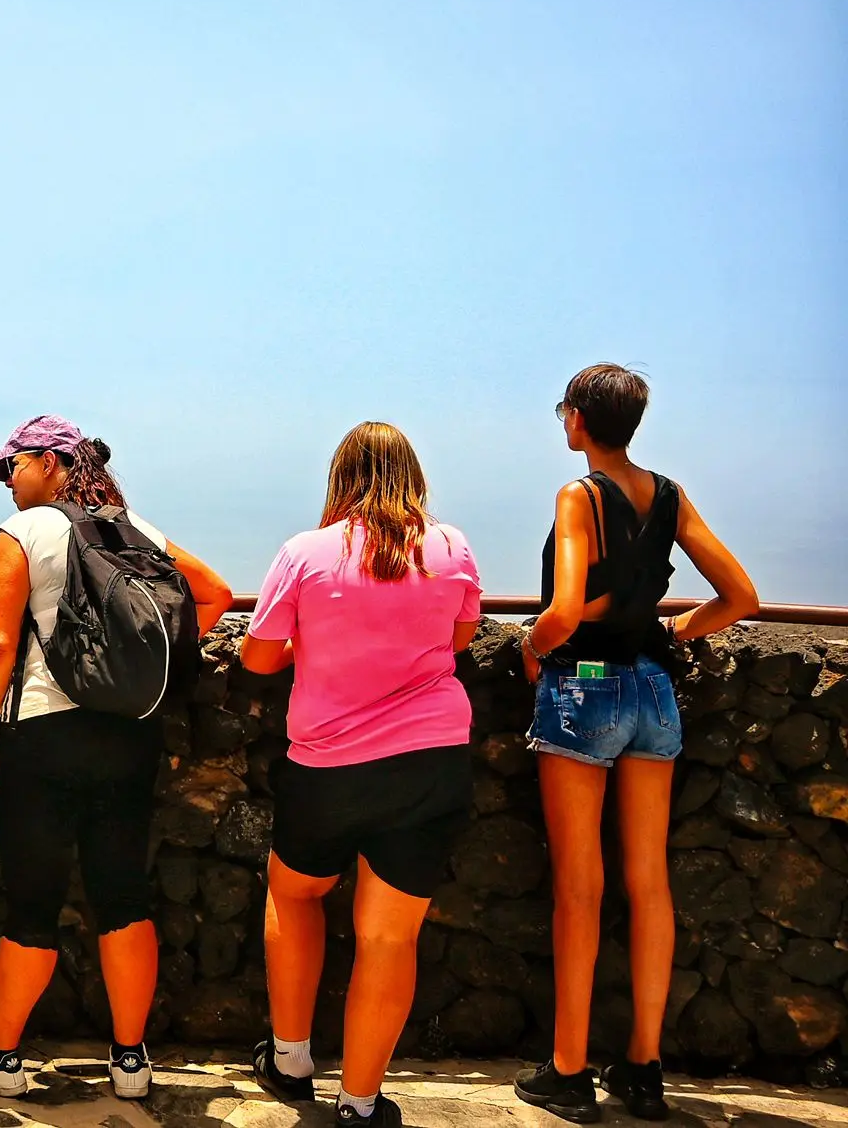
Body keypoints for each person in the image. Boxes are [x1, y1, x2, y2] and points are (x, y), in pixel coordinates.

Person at [0, 416, 233, 1101]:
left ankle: (1, 1056)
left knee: (35, 901)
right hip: (128, 733)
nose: (7, 482)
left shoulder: (26, 532)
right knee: (122, 897)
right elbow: (216, 594)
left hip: (45, 736)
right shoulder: (130, 527)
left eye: (13, 466)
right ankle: (131, 1063)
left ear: (49, 463)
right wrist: (143, 668)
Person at [513, 366, 757, 1124]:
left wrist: (529, 649)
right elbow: (741, 598)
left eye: (565, 411)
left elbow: (560, 610)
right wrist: (679, 630)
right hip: (653, 689)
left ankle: (569, 1068)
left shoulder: (579, 496)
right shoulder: (671, 496)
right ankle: (645, 1069)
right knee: (649, 885)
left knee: (580, 889)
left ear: (579, 420)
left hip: (585, 688)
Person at [238, 422, 484, 1128]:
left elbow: (258, 658)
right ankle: (361, 1103)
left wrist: (309, 650)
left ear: (339, 479)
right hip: (430, 760)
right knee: (387, 937)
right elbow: (461, 637)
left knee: (294, 894)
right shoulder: (451, 546)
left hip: (327, 764)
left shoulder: (305, 553)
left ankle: (290, 1061)